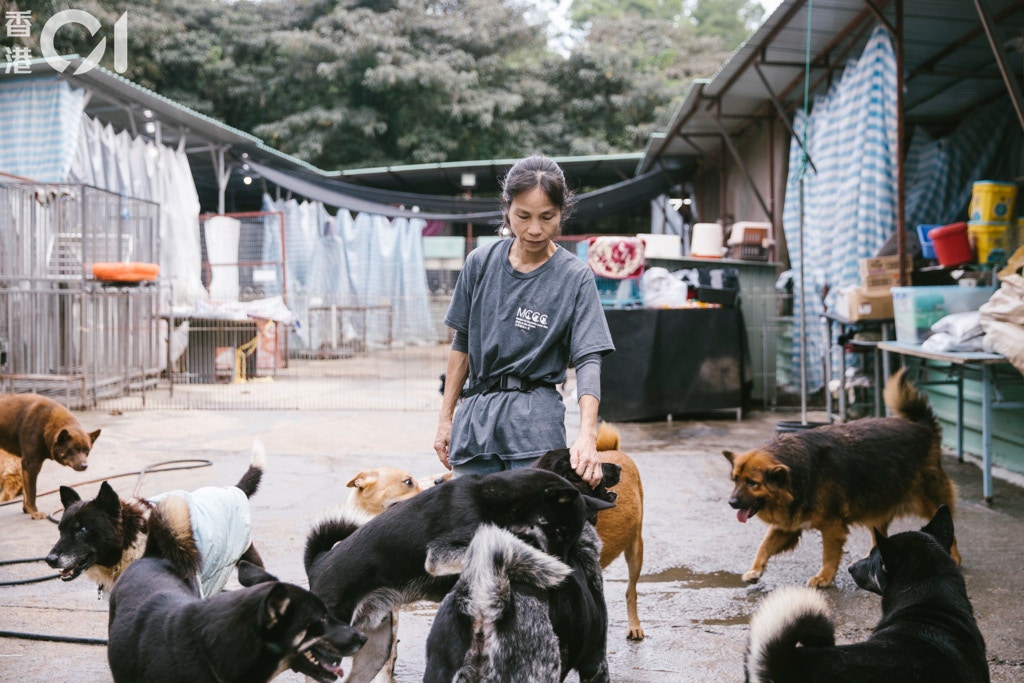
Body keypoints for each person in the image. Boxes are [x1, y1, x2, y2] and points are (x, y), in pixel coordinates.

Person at [434, 154, 615, 487]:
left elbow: (589, 358)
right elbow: (462, 343)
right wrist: (446, 419)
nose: (535, 229)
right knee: (471, 530)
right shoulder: (480, 263)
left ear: (563, 212)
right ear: (507, 208)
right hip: (476, 423)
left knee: (530, 532)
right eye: (523, 216)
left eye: (548, 217)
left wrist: (587, 435)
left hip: (536, 427)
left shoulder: (574, 277)